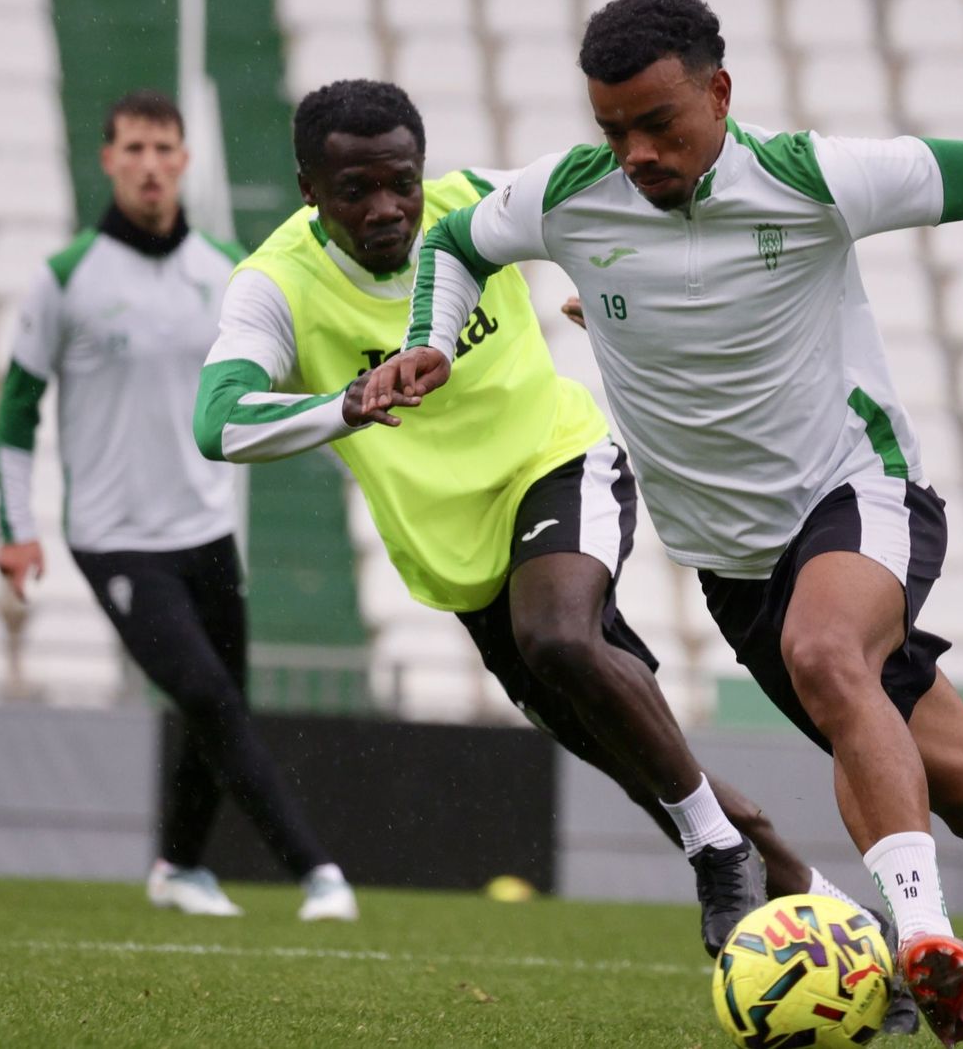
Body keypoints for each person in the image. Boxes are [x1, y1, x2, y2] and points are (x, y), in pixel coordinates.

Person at [365, 0, 963, 1048]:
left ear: (719, 92)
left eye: (660, 122)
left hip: (860, 493)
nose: (636, 152)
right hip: (732, 563)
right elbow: (454, 242)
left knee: (826, 647)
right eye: (613, 128)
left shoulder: (807, 178)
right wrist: (428, 335)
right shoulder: (569, 198)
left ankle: (923, 934)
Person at [190, 81, 914, 1031]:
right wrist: (343, 405)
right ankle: (850, 936)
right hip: (463, 561)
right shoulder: (273, 284)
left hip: (562, 464)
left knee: (561, 637)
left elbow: (624, 202)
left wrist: (626, 285)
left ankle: (715, 851)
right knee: (646, 761)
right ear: (307, 190)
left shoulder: (474, 205)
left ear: (423, 170)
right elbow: (218, 420)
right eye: (354, 190)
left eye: (400, 183)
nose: (385, 209)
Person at [0, 89, 357, 923]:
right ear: (108, 160)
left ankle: (180, 868)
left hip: (208, 530)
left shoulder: (227, 266)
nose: (150, 166)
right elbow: (17, 408)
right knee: (210, 697)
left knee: (218, 703)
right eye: (134, 150)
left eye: (165, 149)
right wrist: (18, 530)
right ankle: (317, 872)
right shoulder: (66, 277)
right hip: (115, 539)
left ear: (185, 160)